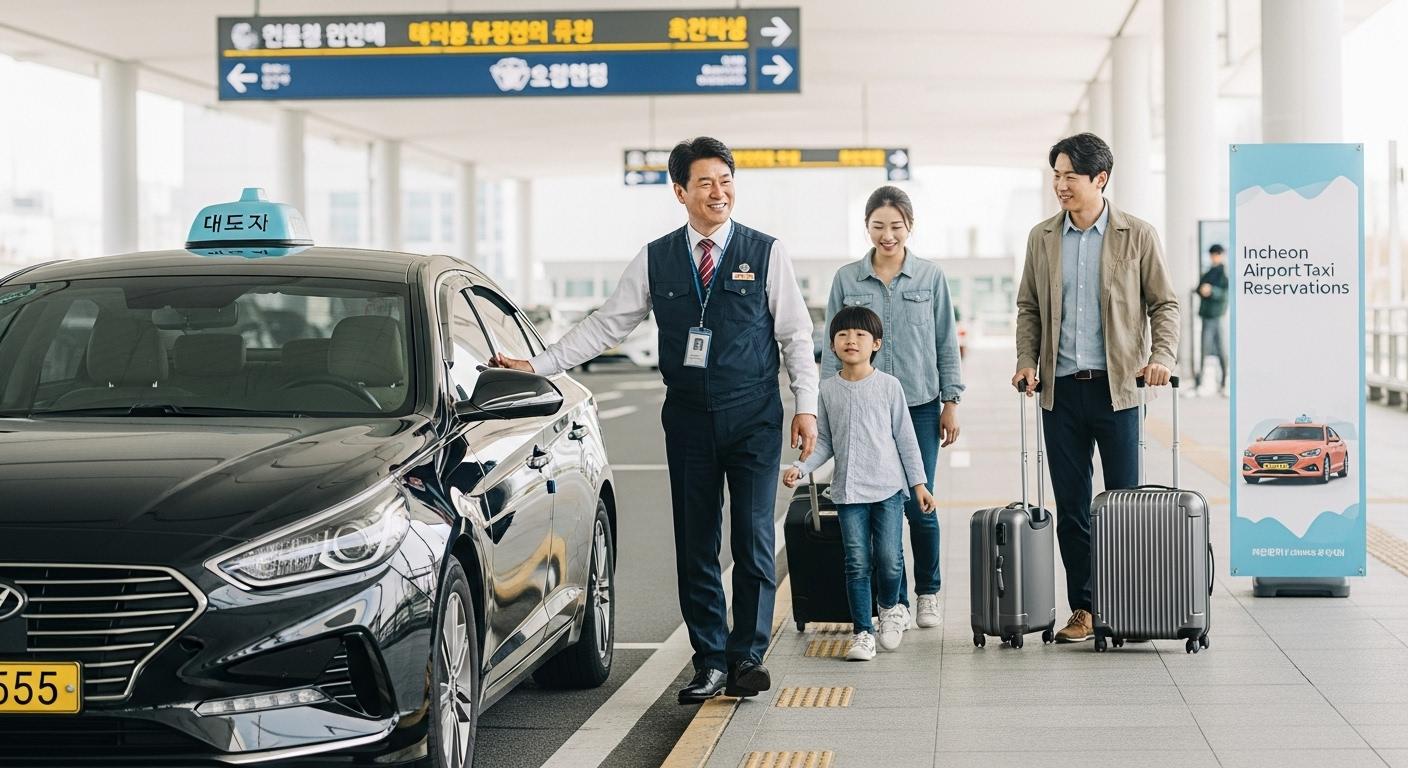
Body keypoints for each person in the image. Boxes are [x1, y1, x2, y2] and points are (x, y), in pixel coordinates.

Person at [490, 137, 818, 704]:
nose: (720, 192)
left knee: (754, 536)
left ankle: (748, 656)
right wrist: (538, 365)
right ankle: (710, 660)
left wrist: (806, 406)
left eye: (726, 179)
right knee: (695, 542)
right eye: (706, 182)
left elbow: (795, 333)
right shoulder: (656, 256)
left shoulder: (766, 252)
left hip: (755, 415)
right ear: (681, 192)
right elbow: (606, 326)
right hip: (688, 417)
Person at [1012, 132, 1180, 643]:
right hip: (1059, 392)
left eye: (1069, 176)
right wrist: (1025, 360)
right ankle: (1084, 608)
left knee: (1124, 503)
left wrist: (1161, 358)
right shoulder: (1042, 237)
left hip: (1119, 391)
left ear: (1099, 179)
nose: (1060, 185)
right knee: (1072, 507)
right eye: (1056, 175)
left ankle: (1127, 604)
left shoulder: (1138, 234)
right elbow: (1029, 308)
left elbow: (1164, 305)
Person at [824, 186, 963, 632]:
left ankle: (928, 593)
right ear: (867, 227)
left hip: (919, 404)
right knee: (877, 501)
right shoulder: (847, 280)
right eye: (878, 226)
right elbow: (830, 348)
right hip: (861, 407)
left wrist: (951, 401)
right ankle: (894, 604)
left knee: (918, 502)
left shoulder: (930, 277)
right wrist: (820, 405)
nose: (887, 235)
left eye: (896, 226)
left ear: (910, 227)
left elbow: (945, 340)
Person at [783, 306, 936, 661]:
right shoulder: (828, 390)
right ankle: (862, 632)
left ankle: (889, 612)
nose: (851, 340)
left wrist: (919, 485)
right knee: (855, 561)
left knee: (888, 557)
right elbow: (824, 443)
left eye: (860, 335)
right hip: (849, 492)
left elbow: (906, 439)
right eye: (842, 335)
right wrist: (801, 467)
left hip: (888, 491)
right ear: (832, 345)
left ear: (876, 343)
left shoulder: (889, 387)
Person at [1195, 244, 1228, 396]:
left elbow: (1226, 294)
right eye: (1212, 254)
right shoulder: (1208, 272)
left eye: (1216, 254)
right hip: (1206, 316)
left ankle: (1224, 383)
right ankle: (1200, 383)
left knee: (1222, 350)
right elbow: (1199, 287)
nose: (1214, 257)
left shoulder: (1224, 273)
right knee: (1204, 349)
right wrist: (1202, 289)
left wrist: (1211, 291)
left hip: (1218, 316)